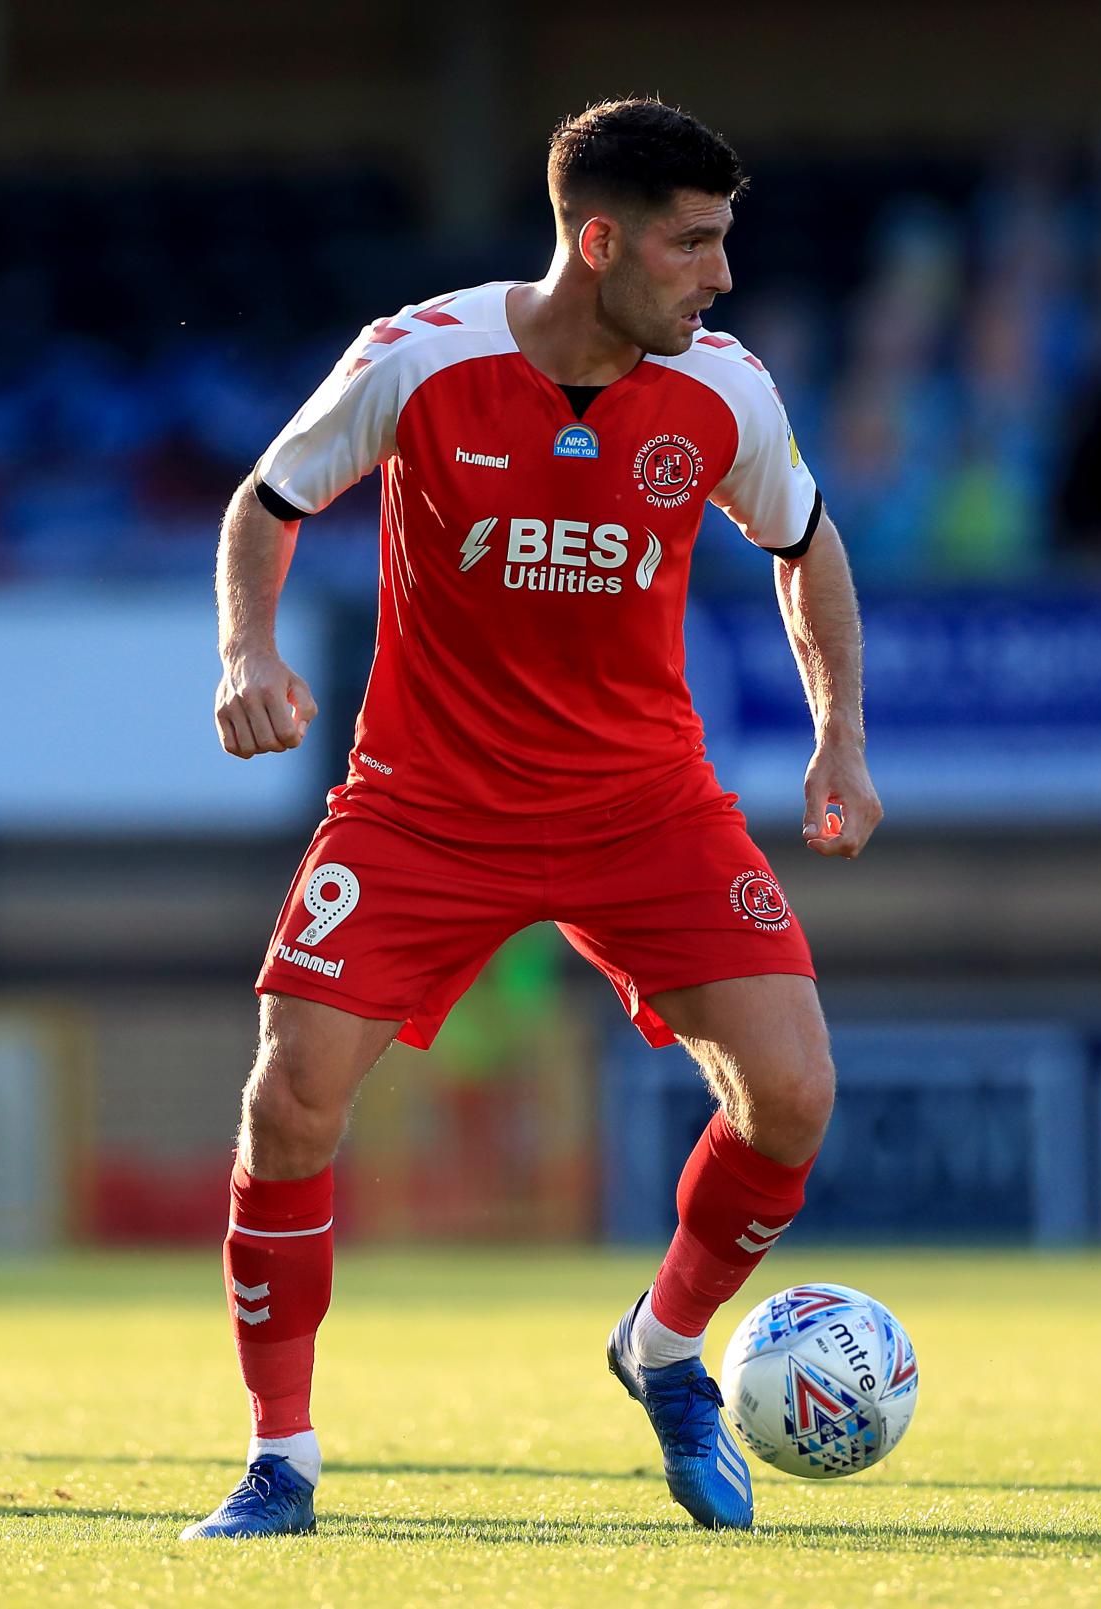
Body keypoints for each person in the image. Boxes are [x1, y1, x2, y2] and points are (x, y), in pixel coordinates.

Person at [181, 97, 882, 1541]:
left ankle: (666, 1345)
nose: (721, 275)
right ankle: (281, 1458)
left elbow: (806, 549)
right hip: (427, 805)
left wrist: (840, 739)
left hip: (643, 803)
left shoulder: (730, 392)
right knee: (289, 1092)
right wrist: (248, 652)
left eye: (725, 242)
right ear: (599, 239)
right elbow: (266, 500)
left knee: (795, 1092)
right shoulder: (422, 357)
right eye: (693, 245)